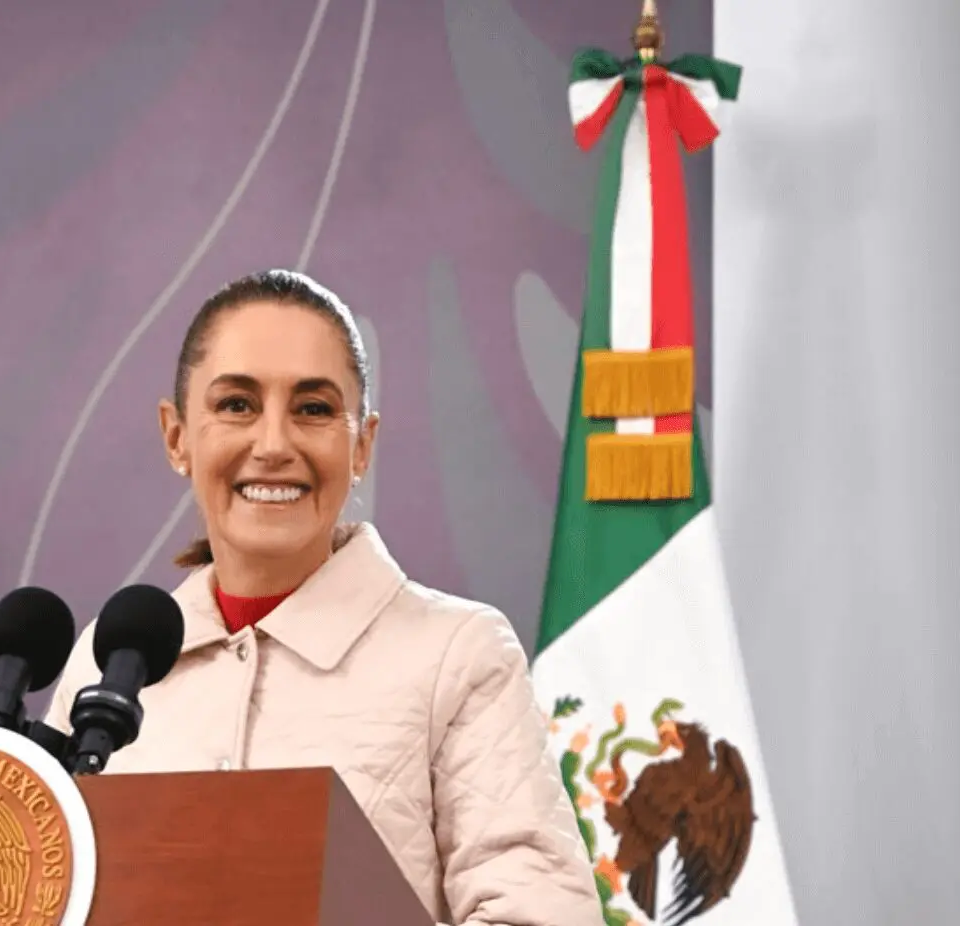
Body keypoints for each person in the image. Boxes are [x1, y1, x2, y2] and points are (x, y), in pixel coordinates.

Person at [43, 269, 602, 926]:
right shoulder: (107, 666)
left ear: (361, 443)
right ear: (177, 437)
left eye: (312, 408)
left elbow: (539, 915)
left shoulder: (458, 653)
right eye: (236, 405)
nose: (274, 445)